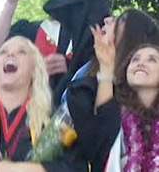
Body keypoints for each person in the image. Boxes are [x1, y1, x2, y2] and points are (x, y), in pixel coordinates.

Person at [0, 36, 86, 172]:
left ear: (34, 69)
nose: (10, 54)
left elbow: (77, 167)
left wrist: (26, 169)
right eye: (3, 52)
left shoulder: (55, 120)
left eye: (21, 52)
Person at [66, 9, 159, 172]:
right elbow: (102, 145)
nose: (108, 19)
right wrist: (106, 70)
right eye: (135, 59)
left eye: (152, 59)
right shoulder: (87, 89)